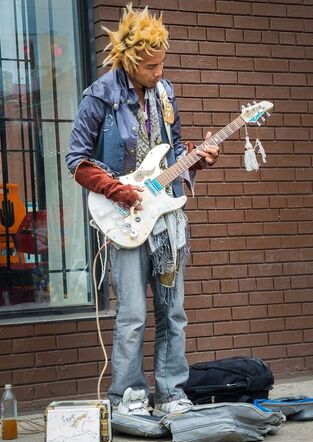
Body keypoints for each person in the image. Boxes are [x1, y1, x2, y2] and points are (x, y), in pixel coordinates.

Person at [66, 3, 219, 416]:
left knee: (173, 312)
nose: (159, 72)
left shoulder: (165, 93)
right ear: (130, 62)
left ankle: (171, 393)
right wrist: (119, 192)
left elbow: (178, 149)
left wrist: (200, 157)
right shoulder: (99, 96)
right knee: (132, 315)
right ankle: (128, 396)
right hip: (126, 217)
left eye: (162, 63)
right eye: (152, 66)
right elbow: (76, 160)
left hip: (167, 219)